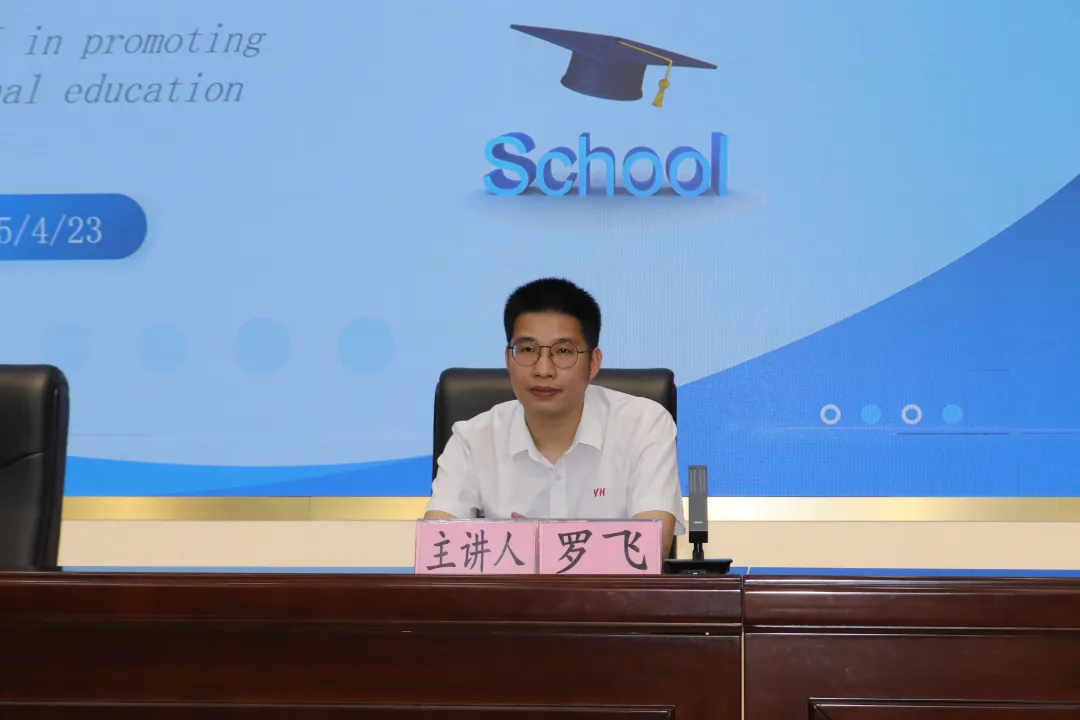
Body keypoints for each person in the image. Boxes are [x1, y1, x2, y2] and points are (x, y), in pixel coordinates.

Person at [424, 277, 685, 557]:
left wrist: (537, 547)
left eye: (563, 351)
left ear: (593, 363)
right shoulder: (473, 439)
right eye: (527, 350)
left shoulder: (644, 424)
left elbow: (649, 549)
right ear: (508, 359)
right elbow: (437, 550)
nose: (543, 370)